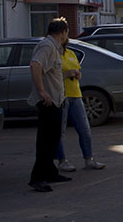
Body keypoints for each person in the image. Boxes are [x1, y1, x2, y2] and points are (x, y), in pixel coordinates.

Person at [28, 18, 71, 192]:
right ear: (62, 32)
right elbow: (35, 65)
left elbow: (52, 73)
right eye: (66, 32)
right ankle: (37, 178)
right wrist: (42, 91)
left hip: (56, 100)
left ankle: (50, 172)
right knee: (46, 141)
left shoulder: (54, 47)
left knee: (53, 140)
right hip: (48, 101)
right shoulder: (47, 46)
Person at [54, 27, 105, 173]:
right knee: (60, 131)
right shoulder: (54, 55)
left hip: (75, 94)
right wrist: (65, 74)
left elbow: (78, 71)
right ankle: (62, 161)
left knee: (84, 129)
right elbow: (52, 76)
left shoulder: (70, 54)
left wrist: (76, 74)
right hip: (61, 96)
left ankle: (89, 159)